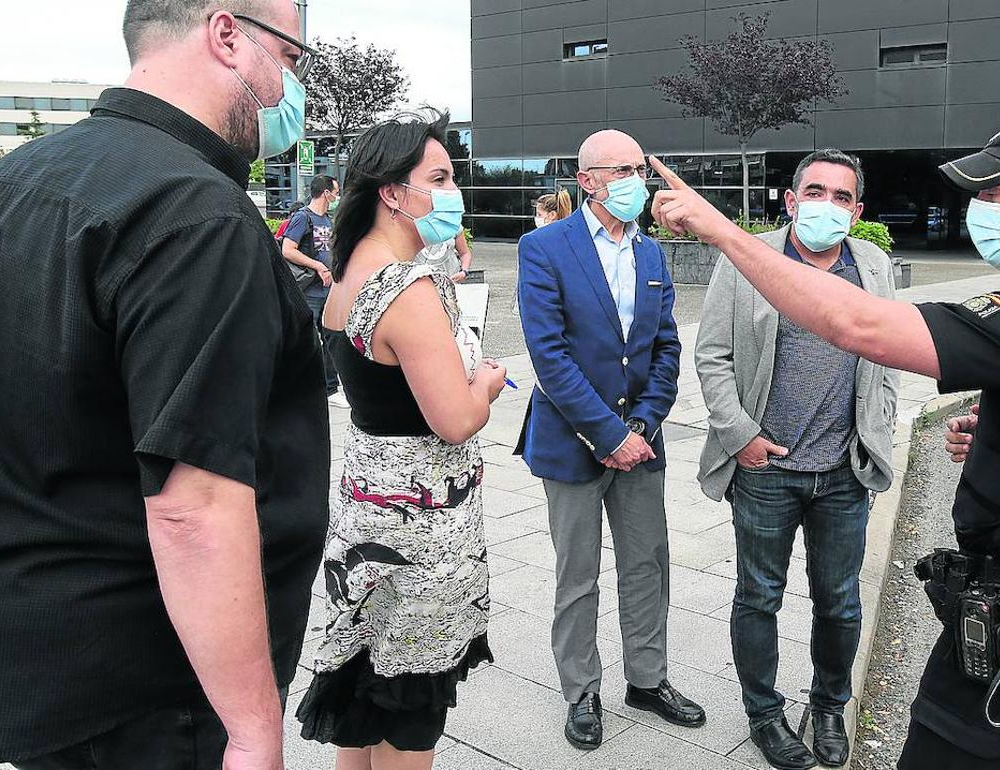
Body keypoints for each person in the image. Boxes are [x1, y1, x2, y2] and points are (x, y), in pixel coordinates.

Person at [649, 112, 1000, 770]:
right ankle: (767, 710)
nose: (981, 211)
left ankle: (828, 703)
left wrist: (716, 226)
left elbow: (853, 325)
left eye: (996, 196)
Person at [0, 3, 330, 768]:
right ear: (227, 34)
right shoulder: (198, 213)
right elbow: (194, 505)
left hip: (22, 655)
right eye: (293, 57)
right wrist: (250, 727)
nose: (290, 88)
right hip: (146, 681)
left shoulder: (11, 179)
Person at [294, 110, 506, 770]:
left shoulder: (349, 272)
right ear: (392, 191)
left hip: (366, 522)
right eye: (438, 178)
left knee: (362, 705)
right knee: (409, 716)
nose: (452, 192)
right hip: (421, 541)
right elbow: (455, 418)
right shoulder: (405, 288)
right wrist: (489, 383)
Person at [696, 149, 899, 770]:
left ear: (857, 210)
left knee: (839, 600)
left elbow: (887, 353)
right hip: (766, 473)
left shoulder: (873, 265)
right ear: (790, 200)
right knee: (759, 597)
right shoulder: (749, 259)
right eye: (816, 192)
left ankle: (830, 706)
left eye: (842, 197)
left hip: (843, 472)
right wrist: (740, 437)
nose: (827, 205)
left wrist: (876, 430)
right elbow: (712, 356)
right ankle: (764, 713)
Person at [516, 129, 705, 752]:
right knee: (578, 574)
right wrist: (606, 433)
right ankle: (583, 690)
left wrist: (644, 423)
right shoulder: (543, 248)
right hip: (573, 443)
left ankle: (647, 680)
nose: (638, 180)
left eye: (641, 168)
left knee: (647, 565)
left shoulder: (651, 254)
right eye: (623, 169)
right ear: (588, 179)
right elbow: (549, 355)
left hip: (641, 443)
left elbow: (666, 346)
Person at [283, 173, 343, 404]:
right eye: (336, 193)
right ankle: (297, 387)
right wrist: (318, 266)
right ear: (326, 193)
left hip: (328, 290)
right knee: (305, 339)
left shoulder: (328, 220)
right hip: (308, 291)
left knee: (330, 339)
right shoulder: (303, 218)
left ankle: (331, 388)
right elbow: (288, 249)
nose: (337, 197)